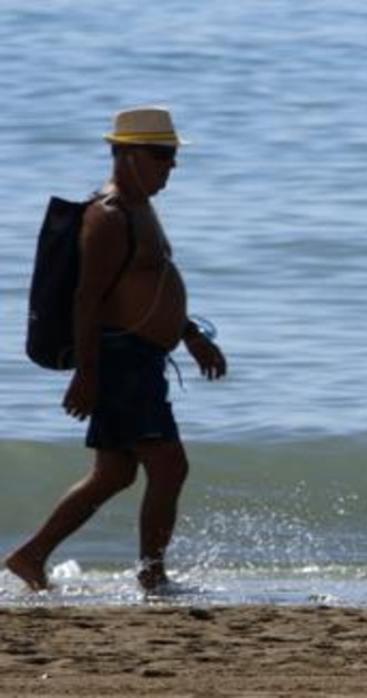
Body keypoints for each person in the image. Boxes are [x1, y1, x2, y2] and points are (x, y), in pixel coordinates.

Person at [4, 106, 227, 592]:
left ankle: (29, 555)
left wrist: (189, 336)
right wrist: (87, 375)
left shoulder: (141, 207)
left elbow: (147, 287)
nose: (171, 165)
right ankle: (151, 574)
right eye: (161, 155)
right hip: (122, 361)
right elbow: (88, 300)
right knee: (169, 465)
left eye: (171, 155)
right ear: (127, 155)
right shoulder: (107, 216)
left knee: (115, 473)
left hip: (140, 359)